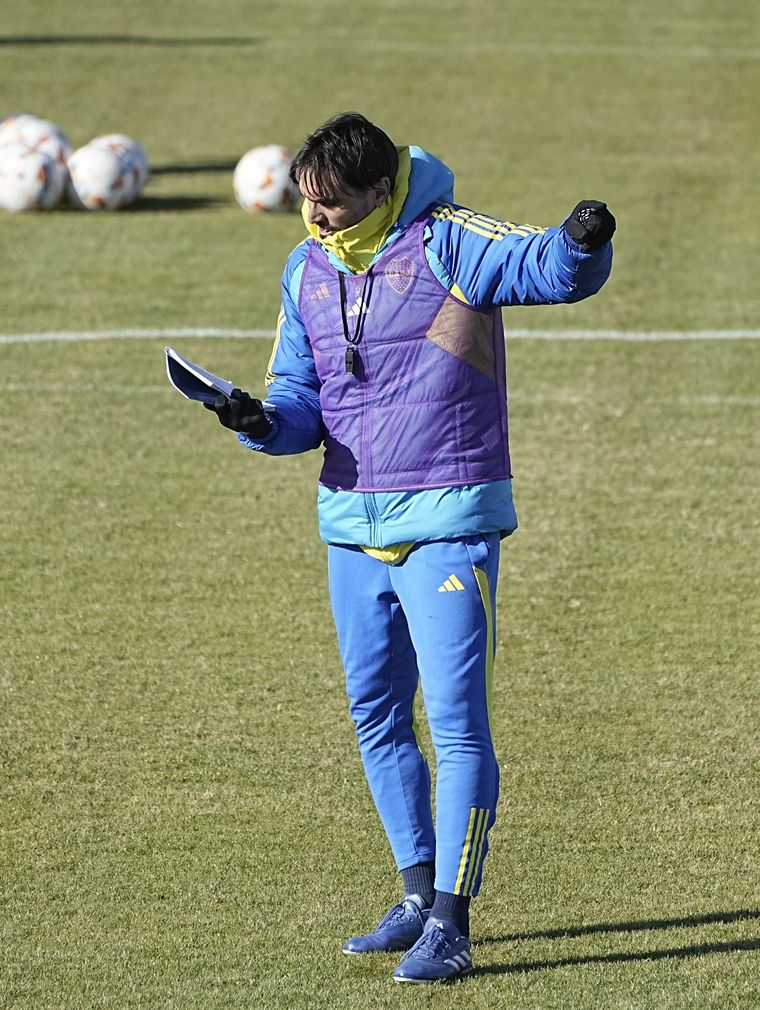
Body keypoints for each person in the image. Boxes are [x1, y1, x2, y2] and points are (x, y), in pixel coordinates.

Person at [206, 112, 615, 983]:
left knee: (458, 725)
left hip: (448, 524)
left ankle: (455, 923)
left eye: (335, 205)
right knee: (377, 715)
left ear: (384, 192)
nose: (317, 219)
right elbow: (297, 401)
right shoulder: (305, 270)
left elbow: (545, 265)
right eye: (308, 205)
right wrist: (258, 422)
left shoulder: (452, 242)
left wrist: (583, 240)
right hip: (353, 528)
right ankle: (417, 897)